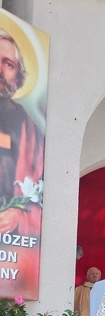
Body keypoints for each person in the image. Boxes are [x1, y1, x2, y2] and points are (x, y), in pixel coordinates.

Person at [0, 29, 44, 237]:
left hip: (10, 249)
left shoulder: (31, 133)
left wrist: (19, 216)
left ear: (18, 77)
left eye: (8, 64)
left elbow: (41, 200)